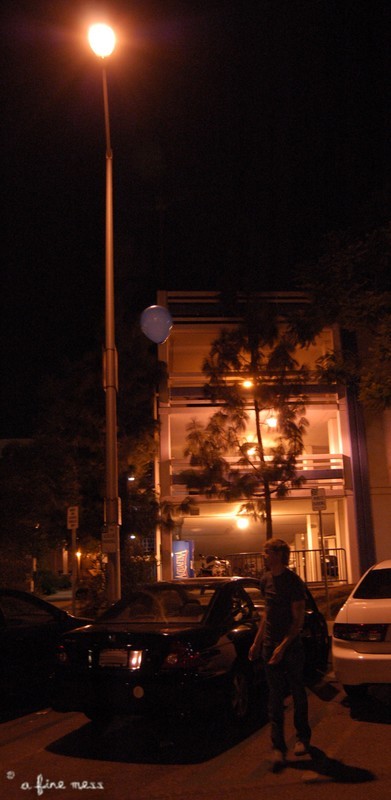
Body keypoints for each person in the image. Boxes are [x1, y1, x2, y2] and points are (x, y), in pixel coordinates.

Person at [248, 538, 311, 772]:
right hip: (269, 646)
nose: (264, 555)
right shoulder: (265, 580)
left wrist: (283, 647)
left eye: (267, 552)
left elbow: (298, 621)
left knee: (297, 692)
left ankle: (303, 737)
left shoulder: (294, 582)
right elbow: (267, 614)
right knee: (274, 697)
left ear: (278, 554)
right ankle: (278, 746)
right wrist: (257, 643)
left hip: (291, 648)